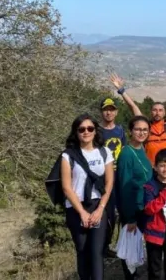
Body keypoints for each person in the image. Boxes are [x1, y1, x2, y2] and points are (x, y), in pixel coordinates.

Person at [60, 114, 114, 280]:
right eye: (81, 129)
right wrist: (82, 213)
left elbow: (109, 182)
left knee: (97, 252)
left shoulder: (104, 152)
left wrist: (100, 209)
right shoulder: (68, 155)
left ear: (95, 130)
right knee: (82, 251)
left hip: (98, 205)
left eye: (90, 128)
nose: (86, 132)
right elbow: (67, 187)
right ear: (76, 132)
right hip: (76, 208)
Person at [110, 72, 166, 166]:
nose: (157, 112)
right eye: (155, 110)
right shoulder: (145, 125)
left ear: (164, 112)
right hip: (150, 168)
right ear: (151, 112)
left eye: (160, 110)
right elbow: (133, 107)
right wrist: (121, 90)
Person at [116, 115, 154, 280]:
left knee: (137, 248)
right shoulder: (126, 154)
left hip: (143, 206)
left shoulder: (141, 149)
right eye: (138, 129)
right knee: (130, 252)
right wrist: (130, 218)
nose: (141, 132)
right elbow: (125, 188)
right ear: (130, 131)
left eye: (145, 129)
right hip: (132, 209)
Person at [143, 149, 166, 280]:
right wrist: (165, 192)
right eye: (162, 165)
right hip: (154, 233)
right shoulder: (149, 186)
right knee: (155, 269)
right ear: (155, 166)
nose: (165, 169)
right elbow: (149, 209)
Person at [99, 97, 127, 258]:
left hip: (119, 176)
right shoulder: (96, 131)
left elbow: (123, 151)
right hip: (104, 177)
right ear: (101, 112)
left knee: (121, 213)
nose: (108, 112)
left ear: (116, 112)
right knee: (107, 212)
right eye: (105, 109)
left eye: (111, 109)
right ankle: (104, 245)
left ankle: (120, 244)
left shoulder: (120, 131)